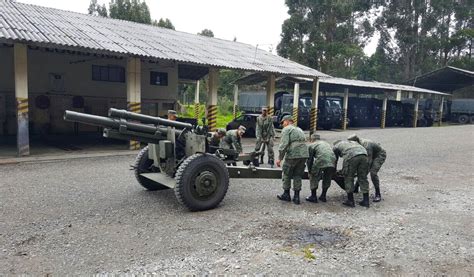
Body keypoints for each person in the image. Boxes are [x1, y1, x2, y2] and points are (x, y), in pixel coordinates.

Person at [276, 115, 309, 205]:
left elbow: (284, 145)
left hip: (293, 154)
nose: (282, 125)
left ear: (287, 121)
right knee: (297, 175)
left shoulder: (287, 129)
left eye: (283, 123)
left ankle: (286, 195)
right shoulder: (299, 129)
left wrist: (279, 158)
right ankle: (296, 197)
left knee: (286, 173)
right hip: (304, 154)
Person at [348, 134, 387, 202]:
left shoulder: (366, 146)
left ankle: (378, 194)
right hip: (371, 155)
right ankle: (356, 187)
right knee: (362, 171)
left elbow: (368, 162)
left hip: (379, 155)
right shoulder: (359, 143)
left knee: (373, 173)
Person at [333, 140, 370, 208]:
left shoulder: (336, 146)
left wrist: (334, 171)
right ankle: (366, 200)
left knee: (348, 177)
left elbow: (335, 160)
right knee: (363, 178)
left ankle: (350, 200)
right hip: (364, 155)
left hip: (351, 156)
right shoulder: (352, 142)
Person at [306, 134, 337, 203]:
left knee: (314, 177)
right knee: (327, 178)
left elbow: (309, 160)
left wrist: (310, 170)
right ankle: (323, 196)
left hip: (321, 160)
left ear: (311, 140)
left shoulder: (311, 145)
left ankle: (313, 196)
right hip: (332, 161)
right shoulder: (326, 143)